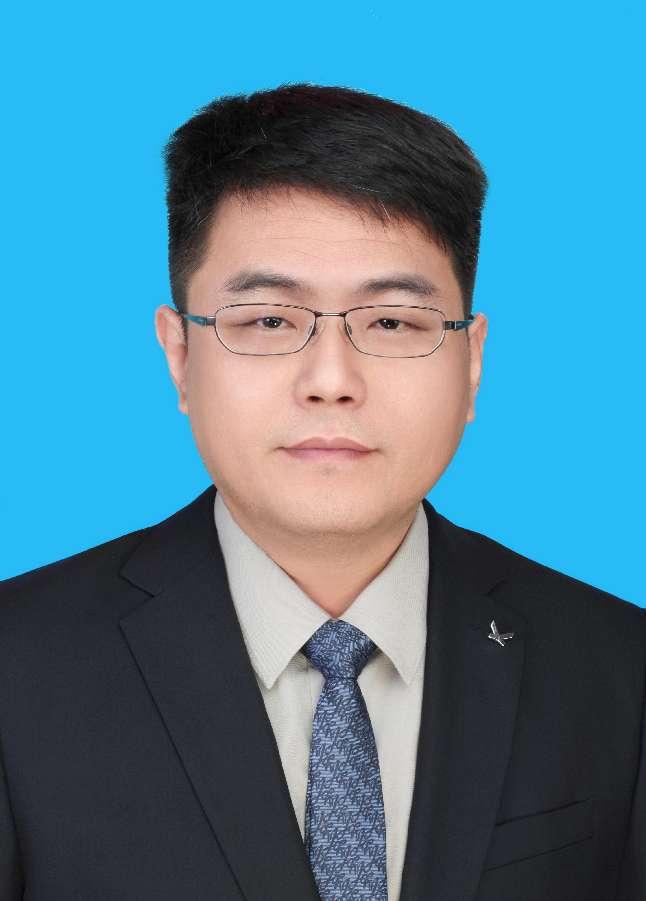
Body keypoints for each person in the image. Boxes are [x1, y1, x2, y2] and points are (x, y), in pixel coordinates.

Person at [0, 83, 643, 901]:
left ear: (471, 359)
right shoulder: (17, 669)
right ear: (180, 357)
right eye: (269, 320)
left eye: (392, 322)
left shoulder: (618, 668)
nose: (331, 379)